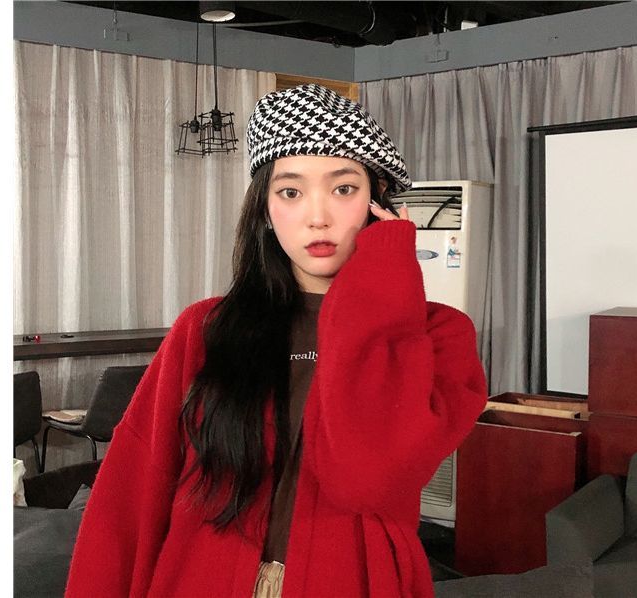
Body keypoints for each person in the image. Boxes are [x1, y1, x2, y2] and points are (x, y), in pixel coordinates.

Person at [65, 83, 487, 598]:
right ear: (265, 208)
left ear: (378, 202)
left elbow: (366, 479)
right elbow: (130, 497)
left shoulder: (437, 335)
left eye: (344, 189)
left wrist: (384, 279)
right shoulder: (206, 328)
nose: (318, 216)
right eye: (291, 192)